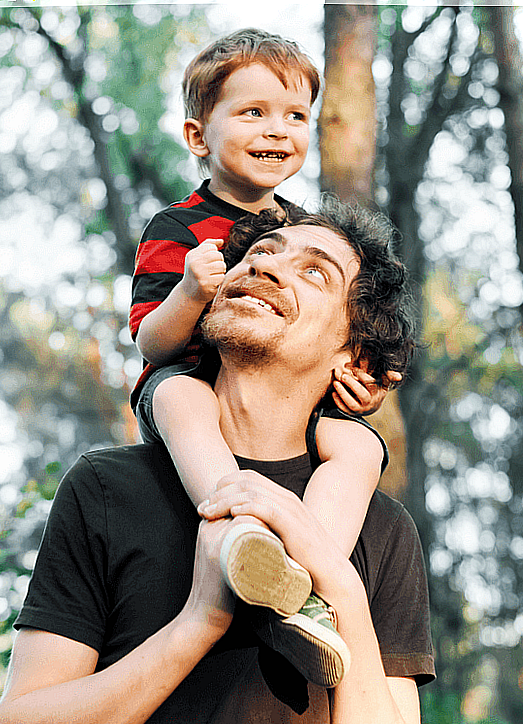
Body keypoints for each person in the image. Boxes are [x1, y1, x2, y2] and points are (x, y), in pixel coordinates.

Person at [0, 198, 434, 724]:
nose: (268, 268)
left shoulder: (382, 530)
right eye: (258, 254)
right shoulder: (107, 490)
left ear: (352, 358)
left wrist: (341, 590)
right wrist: (200, 620)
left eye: (314, 272)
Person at [130, 29, 401, 685]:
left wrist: (357, 381)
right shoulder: (178, 227)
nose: (276, 129)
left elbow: (335, 325)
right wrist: (192, 291)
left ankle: (306, 585)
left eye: (295, 116)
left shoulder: (307, 228)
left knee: (361, 447)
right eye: (252, 112)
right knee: (177, 392)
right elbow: (151, 343)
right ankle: (236, 534)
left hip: (285, 402)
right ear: (199, 137)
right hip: (192, 384)